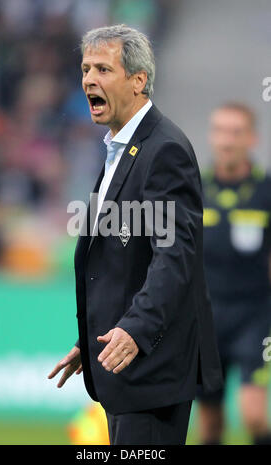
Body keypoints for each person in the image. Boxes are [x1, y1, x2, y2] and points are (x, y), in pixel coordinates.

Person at [48, 24, 222, 445]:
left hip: (151, 369)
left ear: (138, 81)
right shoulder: (120, 148)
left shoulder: (164, 150)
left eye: (104, 69)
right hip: (124, 367)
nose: (89, 78)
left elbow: (174, 255)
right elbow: (123, 261)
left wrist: (136, 329)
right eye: (86, 68)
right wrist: (92, 340)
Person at [197, 103, 271, 445]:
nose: (227, 141)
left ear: (251, 138)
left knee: (254, 415)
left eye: (236, 132)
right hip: (207, 317)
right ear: (212, 137)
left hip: (257, 317)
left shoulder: (266, 190)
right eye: (220, 131)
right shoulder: (193, 189)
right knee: (210, 424)